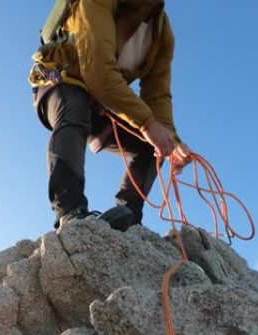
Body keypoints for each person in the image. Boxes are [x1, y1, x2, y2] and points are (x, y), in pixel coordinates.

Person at [30, 0, 190, 231]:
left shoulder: (162, 35)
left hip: (98, 101)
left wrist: (171, 142)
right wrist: (147, 123)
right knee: (74, 108)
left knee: (153, 147)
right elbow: (98, 72)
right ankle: (70, 212)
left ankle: (128, 217)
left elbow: (158, 96)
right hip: (59, 82)